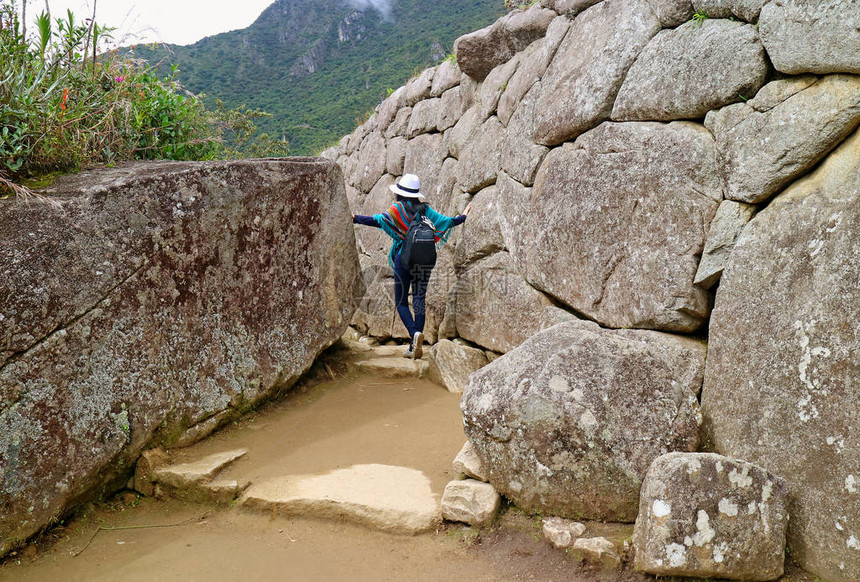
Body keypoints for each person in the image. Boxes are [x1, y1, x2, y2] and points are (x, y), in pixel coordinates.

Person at [352, 173, 471, 359]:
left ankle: (414, 336)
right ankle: (415, 344)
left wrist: (355, 218)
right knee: (419, 300)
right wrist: (463, 216)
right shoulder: (426, 211)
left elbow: (378, 221)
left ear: (400, 194)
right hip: (424, 260)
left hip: (403, 259)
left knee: (400, 301)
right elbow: (447, 222)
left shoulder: (397, 209)